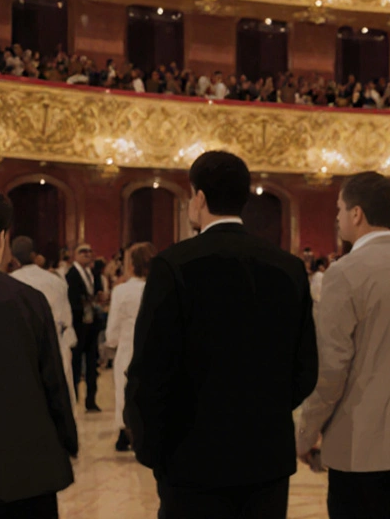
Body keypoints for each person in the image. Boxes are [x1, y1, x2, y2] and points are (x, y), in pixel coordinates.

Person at [125, 151, 318, 519]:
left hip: (191, 461)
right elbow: (305, 369)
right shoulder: (289, 268)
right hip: (266, 459)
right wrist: (262, 410)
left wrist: (151, 449)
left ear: (198, 198)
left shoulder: (173, 265)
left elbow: (150, 372)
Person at [296, 173, 390, 519]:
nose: (336, 217)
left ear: (356, 214)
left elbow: (331, 370)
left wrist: (306, 433)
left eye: (339, 209)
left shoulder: (344, 273)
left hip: (359, 449)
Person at [0, 187, 78, 519]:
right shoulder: (27, 300)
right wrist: (67, 439)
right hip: (23, 474)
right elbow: (53, 381)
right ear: (1, 238)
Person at [9, 236, 77, 406]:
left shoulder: (10, 282)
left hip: (24, 347)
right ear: (34, 255)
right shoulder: (55, 281)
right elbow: (67, 318)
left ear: (14, 258)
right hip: (55, 343)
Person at [104, 242, 154, 453]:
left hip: (127, 349)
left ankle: (127, 434)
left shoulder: (122, 291)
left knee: (125, 393)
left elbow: (112, 331)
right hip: (153, 350)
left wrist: (111, 342)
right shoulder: (157, 287)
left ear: (131, 264)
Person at [65, 243, 102, 411]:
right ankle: (74, 400)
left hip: (93, 324)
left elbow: (98, 294)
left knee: (92, 364)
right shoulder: (71, 275)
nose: (87, 254)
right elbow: (72, 299)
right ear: (74, 255)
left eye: (89, 251)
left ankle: (91, 400)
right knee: (76, 364)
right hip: (78, 324)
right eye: (83, 251)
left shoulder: (94, 274)